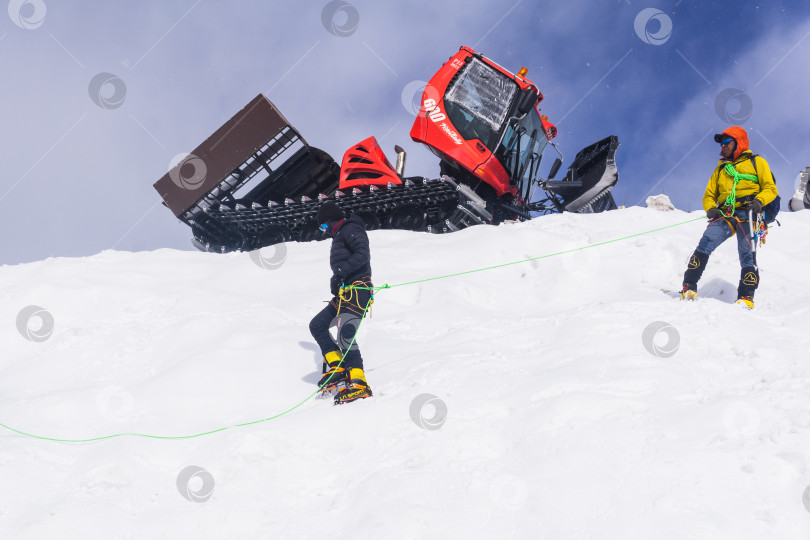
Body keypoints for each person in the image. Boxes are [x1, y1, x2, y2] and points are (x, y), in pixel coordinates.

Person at [680, 126, 778, 309]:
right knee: (706, 242)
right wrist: (711, 209)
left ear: (738, 143)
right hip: (726, 213)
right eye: (722, 144)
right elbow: (709, 195)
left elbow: (770, 188)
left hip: (749, 211)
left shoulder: (757, 162)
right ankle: (688, 286)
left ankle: (746, 297)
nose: (722, 147)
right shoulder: (720, 170)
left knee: (747, 252)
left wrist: (759, 202)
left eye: (727, 143)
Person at [309, 201, 374, 404]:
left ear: (330, 221)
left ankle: (359, 381)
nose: (323, 231)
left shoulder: (351, 228)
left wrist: (339, 272)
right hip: (346, 291)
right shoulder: (339, 235)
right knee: (317, 325)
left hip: (359, 289)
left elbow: (362, 255)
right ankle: (338, 366)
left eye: (323, 226)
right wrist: (338, 280)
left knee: (345, 333)